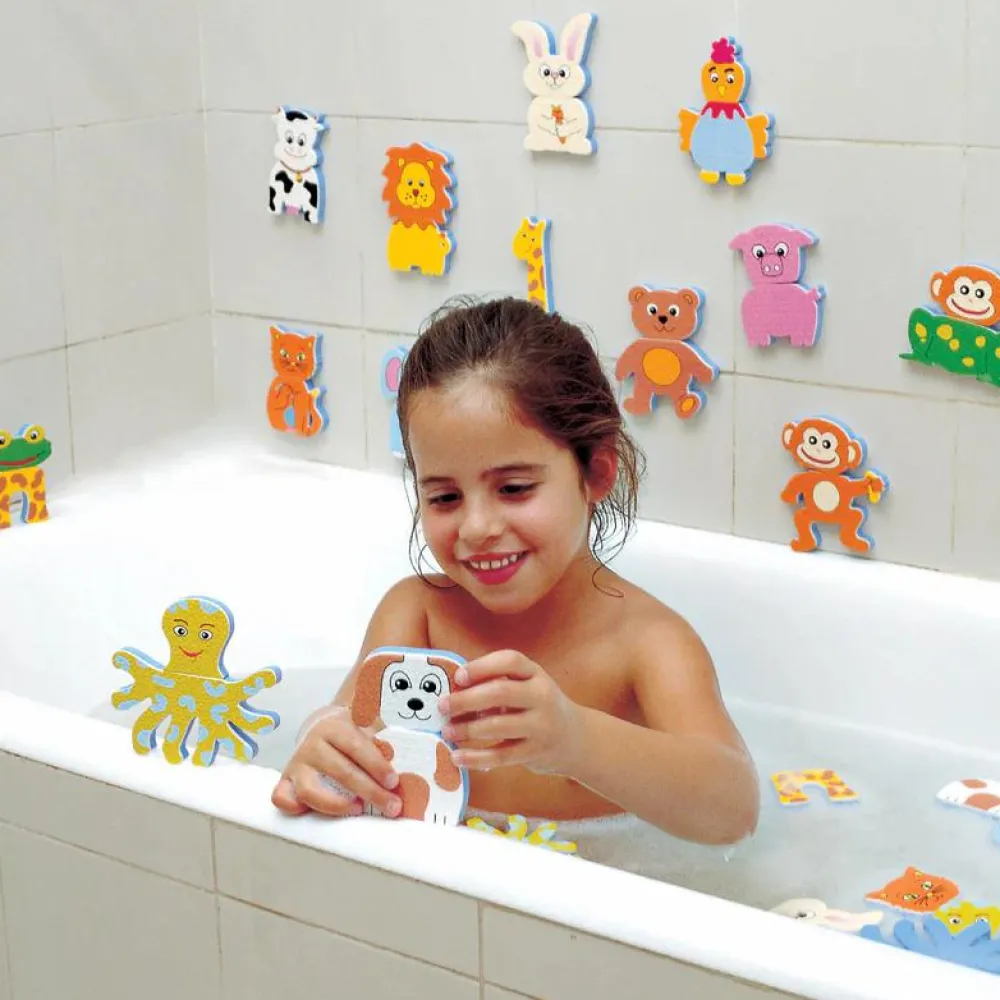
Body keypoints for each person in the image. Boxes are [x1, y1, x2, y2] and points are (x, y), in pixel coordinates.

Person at [272, 296, 759, 849]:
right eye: (445, 496)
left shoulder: (647, 643)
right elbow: (343, 728)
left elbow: (733, 810)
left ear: (597, 473)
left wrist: (575, 740)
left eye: (514, 488)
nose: (477, 527)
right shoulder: (415, 616)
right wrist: (320, 745)